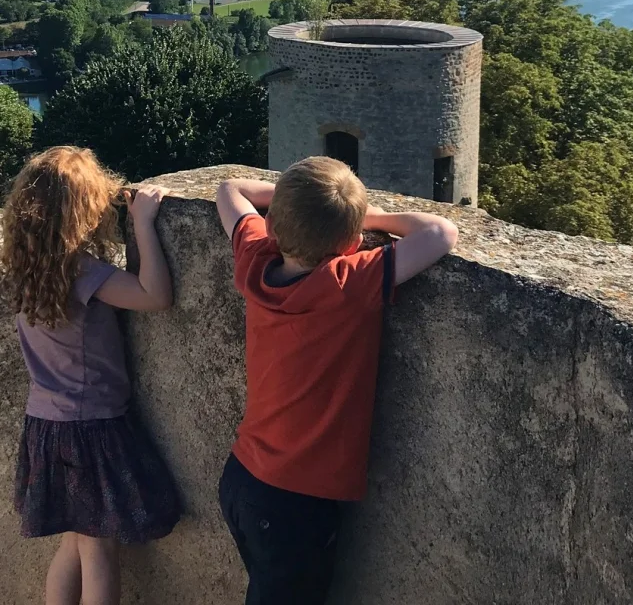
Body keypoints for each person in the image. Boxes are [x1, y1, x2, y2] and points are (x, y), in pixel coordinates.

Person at [216, 155, 459, 605]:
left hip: (244, 478)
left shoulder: (254, 259)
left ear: (275, 226)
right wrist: (363, 214)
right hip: (296, 502)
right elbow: (442, 231)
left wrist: (302, 208)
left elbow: (230, 189)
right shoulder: (347, 282)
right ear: (352, 240)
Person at [2, 145, 181, 605]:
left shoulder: (24, 269)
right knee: (99, 549)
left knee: (73, 540)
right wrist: (142, 223)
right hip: (90, 429)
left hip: (44, 426)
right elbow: (155, 296)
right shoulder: (84, 272)